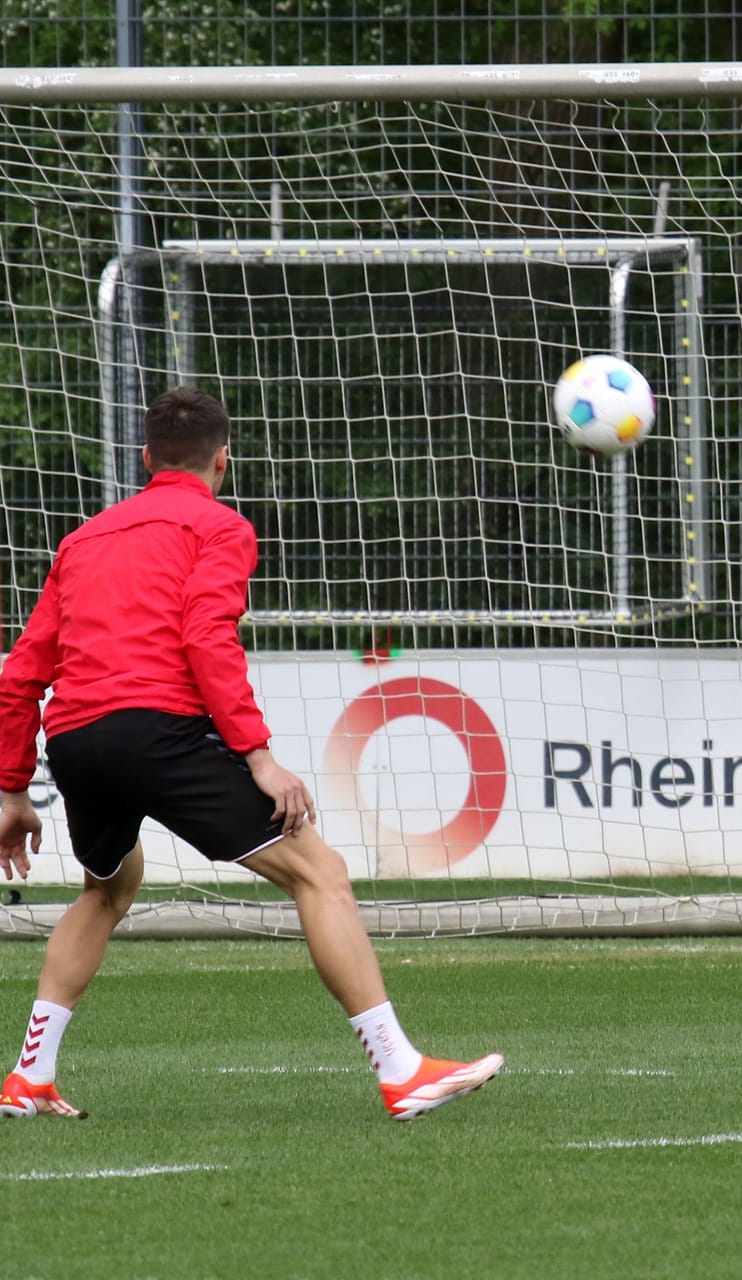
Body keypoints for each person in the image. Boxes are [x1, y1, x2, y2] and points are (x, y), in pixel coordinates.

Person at [0, 388, 501, 1121]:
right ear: (222, 459)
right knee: (320, 873)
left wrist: (13, 790)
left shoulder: (84, 538)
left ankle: (29, 1077)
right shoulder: (220, 526)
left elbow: (20, 675)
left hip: (75, 741)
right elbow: (207, 638)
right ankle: (402, 1071)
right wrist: (258, 755)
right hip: (160, 730)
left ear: (145, 459)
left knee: (107, 888)